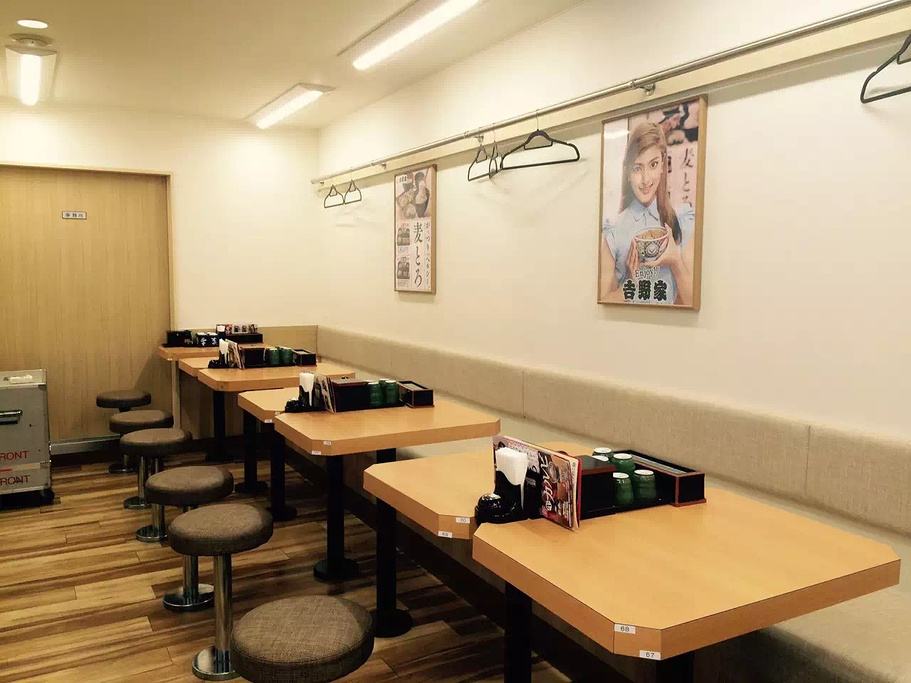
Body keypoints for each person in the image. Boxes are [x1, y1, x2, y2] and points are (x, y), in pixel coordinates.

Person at [599, 121, 695, 305]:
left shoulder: (681, 220)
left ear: (663, 165)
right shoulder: (614, 229)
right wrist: (631, 283)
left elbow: (693, 302)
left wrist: (676, 262)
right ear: (628, 172)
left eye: (653, 164)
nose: (645, 179)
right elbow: (602, 303)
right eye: (637, 168)